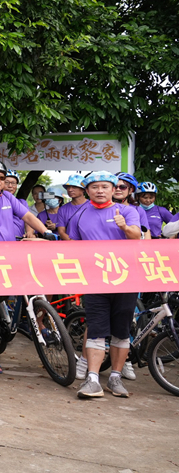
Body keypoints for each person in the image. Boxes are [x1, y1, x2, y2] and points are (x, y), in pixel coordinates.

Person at [0, 151, 56, 373]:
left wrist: (45, 232)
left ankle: (39, 323)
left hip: (11, 259)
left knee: (38, 288)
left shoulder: (8, 198)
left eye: (1, 178)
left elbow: (27, 216)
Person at [65, 171, 141, 399]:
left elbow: (136, 236)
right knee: (96, 331)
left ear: (113, 189)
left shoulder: (127, 211)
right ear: (87, 190)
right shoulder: (79, 214)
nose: (100, 190)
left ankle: (116, 377)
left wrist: (124, 227)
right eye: (95, 187)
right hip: (95, 280)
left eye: (105, 187)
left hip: (125, 280)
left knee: (121, 331)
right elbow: (73, 247)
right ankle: (93, 379)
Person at [55, 174, 88, 241]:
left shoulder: (92, 206)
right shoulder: (63, 209)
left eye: (74, 187)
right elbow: (61, 232)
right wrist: (73, 243)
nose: (70, 190)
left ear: (83, 189)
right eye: (68, 187)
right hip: (70, 246)